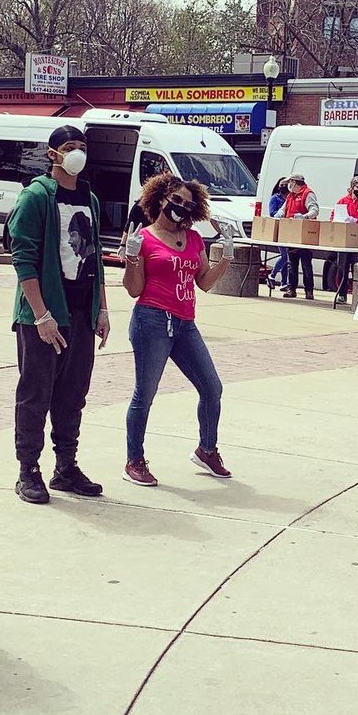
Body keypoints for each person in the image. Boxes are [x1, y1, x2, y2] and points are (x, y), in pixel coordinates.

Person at [8, 123, 110, 505]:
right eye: (69, 146)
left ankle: (66, 467)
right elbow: (24, 258)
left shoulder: (90, 199)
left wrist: (102, 309)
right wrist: (41, 315)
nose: (77, 153)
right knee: (35, 394)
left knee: (72, 395)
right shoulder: (36, 196)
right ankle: (27, 470)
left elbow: (95, 258)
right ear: (52, 153)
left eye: (81, 146)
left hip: (81, 312)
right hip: (44, 313)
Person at [121, 172, 233, 486]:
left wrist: (225, 256)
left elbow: (205, 283)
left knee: (212, 388)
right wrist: (131, 258)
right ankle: (134, 460)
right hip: (151, 320)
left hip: (185, 323)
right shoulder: (144, 238)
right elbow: (133, 289)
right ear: (160, 199)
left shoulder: (193, 238)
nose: (181, 207)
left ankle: (207, 449)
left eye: (188, 203)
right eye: (176, 200)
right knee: (145, 394)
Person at [280, 173, 319, 300]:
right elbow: (283, 209)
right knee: (292, 263)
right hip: (291, 233)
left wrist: (304, 216)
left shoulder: (308, 194)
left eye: (290, 182)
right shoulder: (291, 195)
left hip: (305, 235)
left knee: (306, 264)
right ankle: (292, 288)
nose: (288, 185)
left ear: (295, 182)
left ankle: (309, 290)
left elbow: (314, 210)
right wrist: (279, 214)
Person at [333, 175, 358, 301]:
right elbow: (334, 215)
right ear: (352, 187)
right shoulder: (343, 201)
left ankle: (357, 297)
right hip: (344, 241)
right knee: (342, 268)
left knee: (357, 269)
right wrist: (337, 221)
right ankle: (342, 295)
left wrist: (356, 219)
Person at [267, 177, 290, 289]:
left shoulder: (291, 198)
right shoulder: (275, 198)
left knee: (287, 257)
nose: (283, 187)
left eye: (286, 184)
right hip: (279, 229)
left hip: (289, 229)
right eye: (281, 184)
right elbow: (272, 213)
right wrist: (283, 213)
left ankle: (284, 282)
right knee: (285, 256)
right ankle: (272, 275)